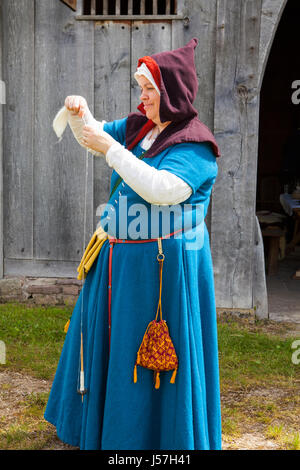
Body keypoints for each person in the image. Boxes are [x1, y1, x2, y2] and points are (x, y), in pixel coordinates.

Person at [44, 38, 222, 450]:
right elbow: (93, 137)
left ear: (171, 95)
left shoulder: (195, 147)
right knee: (112, 348)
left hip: (163, 273)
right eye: (140, 89)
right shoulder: (140, 127)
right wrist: (79, 112)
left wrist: (112, 151)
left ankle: (154, 441)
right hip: (119, 263)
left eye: (148, 90)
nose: (141, 97)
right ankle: (104, 430)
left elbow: (161, 189)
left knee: (151, 358)